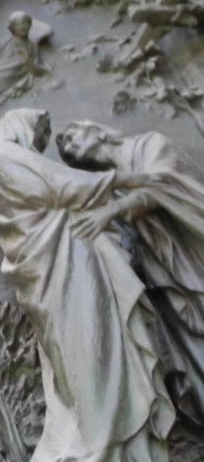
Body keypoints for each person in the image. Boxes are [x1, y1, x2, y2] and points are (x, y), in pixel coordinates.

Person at [0, 108, 172, 462]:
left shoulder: (14, 160)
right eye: (40, 132)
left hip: (79, 264)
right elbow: (59, 185)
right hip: (62, 273)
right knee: (89, 357)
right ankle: (94, 454)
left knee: (107, 351)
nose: (40, 144)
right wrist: (125, 178)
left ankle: (122, 455)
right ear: (20, 124)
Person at [57, 120, 204, 416]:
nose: (70, 148)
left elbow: (163, 185)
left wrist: (112, 209)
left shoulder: (151, 144)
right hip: (169, 277)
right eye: (68, 150)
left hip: (195, 253)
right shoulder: (113, 190)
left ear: (97, 130)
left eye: (72, 137)